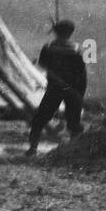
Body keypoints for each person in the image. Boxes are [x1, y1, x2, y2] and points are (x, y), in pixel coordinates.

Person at [28, 20, 87, 155]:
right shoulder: (77, 49)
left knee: (40, 119)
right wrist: (79, 94)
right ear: (70, 33)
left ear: (56, 32)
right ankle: (75, 150)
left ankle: (33, 148)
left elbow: (42, 65)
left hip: (54, 88)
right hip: (73, 90)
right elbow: (81, 74)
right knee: (74, 122)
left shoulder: (48, 47)